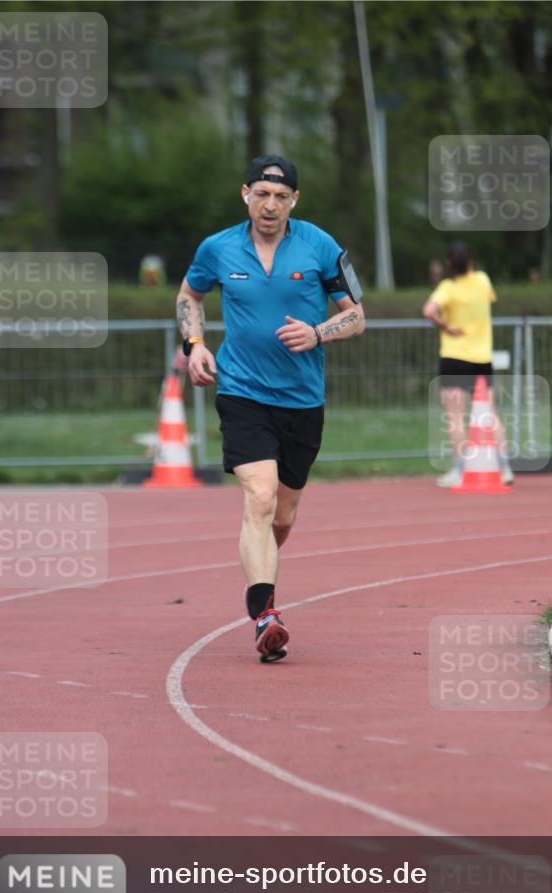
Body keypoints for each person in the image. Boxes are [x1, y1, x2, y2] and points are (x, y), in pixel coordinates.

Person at [175, 155, 365, 662]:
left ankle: (265, 585)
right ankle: (265, 614)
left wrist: (318, 331)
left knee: (283, 513)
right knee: (257, 498)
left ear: (294, 201)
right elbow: (189, 295)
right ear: (245, 194)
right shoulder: (217, 248)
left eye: (281, 197)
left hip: (303, 399)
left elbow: (357, 316)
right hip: (242, 392)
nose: (270, 204)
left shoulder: (320, 246)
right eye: (262, 194)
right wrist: (195, 343)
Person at [422, 241, 514, 488]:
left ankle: (459, 470)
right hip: (482, 357)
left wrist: (446, 327)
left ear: (449, 263)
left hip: (455, 356)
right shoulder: (483, 280)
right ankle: (504, 467)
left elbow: (428, 310)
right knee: (490, 413)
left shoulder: (448, 288)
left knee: (455, 416)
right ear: (471, 262)